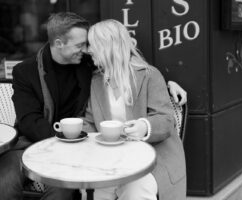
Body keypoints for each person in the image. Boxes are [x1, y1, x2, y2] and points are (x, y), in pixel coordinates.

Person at [0, 12, 186, 200]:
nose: (87, 50)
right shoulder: (28, 71)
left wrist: (167, 85)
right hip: (43, 142)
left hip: (122, 151)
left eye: (89, 45)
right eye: (81, 45)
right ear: (59, 44)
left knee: (71, 188)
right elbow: (30, 121)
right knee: (5, 182)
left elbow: (126, 65)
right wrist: (65, 141)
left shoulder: (91, 66)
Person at [81, 19, 186, 200]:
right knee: (92, 188)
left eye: (93, 44)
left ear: (109, 46)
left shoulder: (148, 75)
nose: (88, 50)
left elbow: (166, 120)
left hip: (153, 158)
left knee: (135, 190)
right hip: (112, 158)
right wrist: (77, 133)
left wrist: (144, 127)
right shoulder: (96, 81)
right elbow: (90, 122)